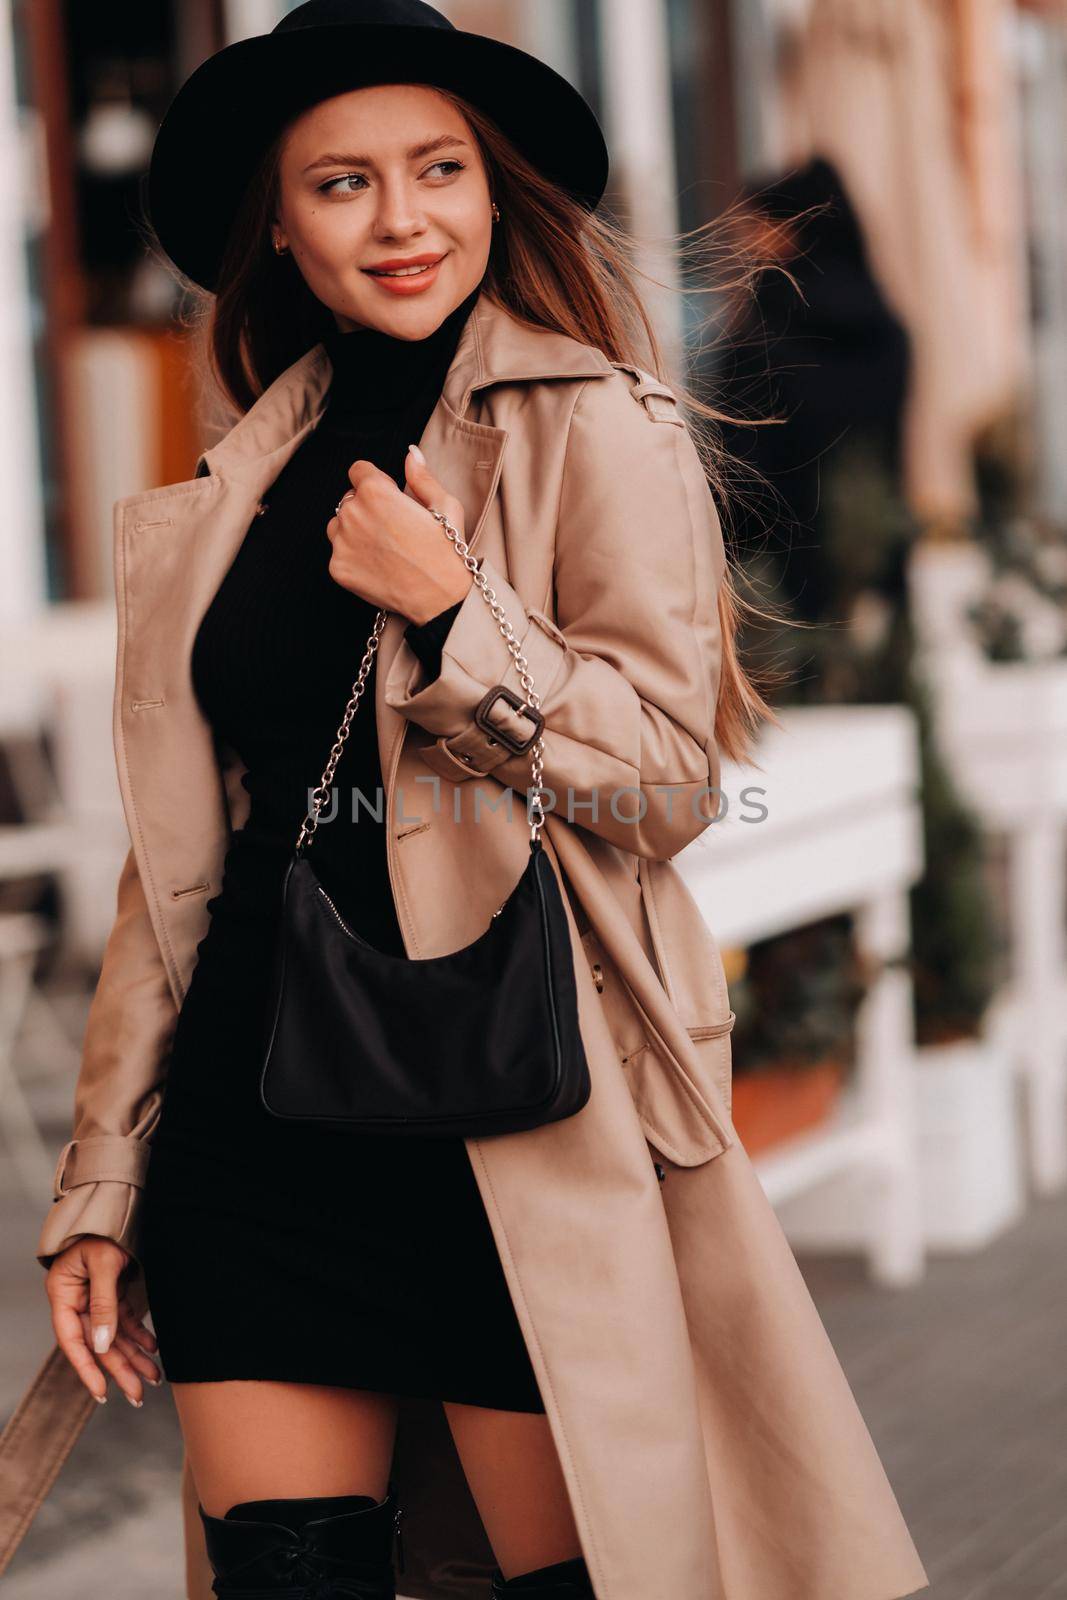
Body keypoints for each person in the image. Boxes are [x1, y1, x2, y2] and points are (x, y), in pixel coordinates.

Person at [10, 5, 930, 1599]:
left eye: (439, 169)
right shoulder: (235, 485)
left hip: (513, 1125)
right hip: (253, 1126)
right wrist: (102, 1183)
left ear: (496, 192)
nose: (403, 218)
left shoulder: (599, 423)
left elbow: (666, 781)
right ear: (280, 230)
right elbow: (177, 873)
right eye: (345, 184)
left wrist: (455, 615)